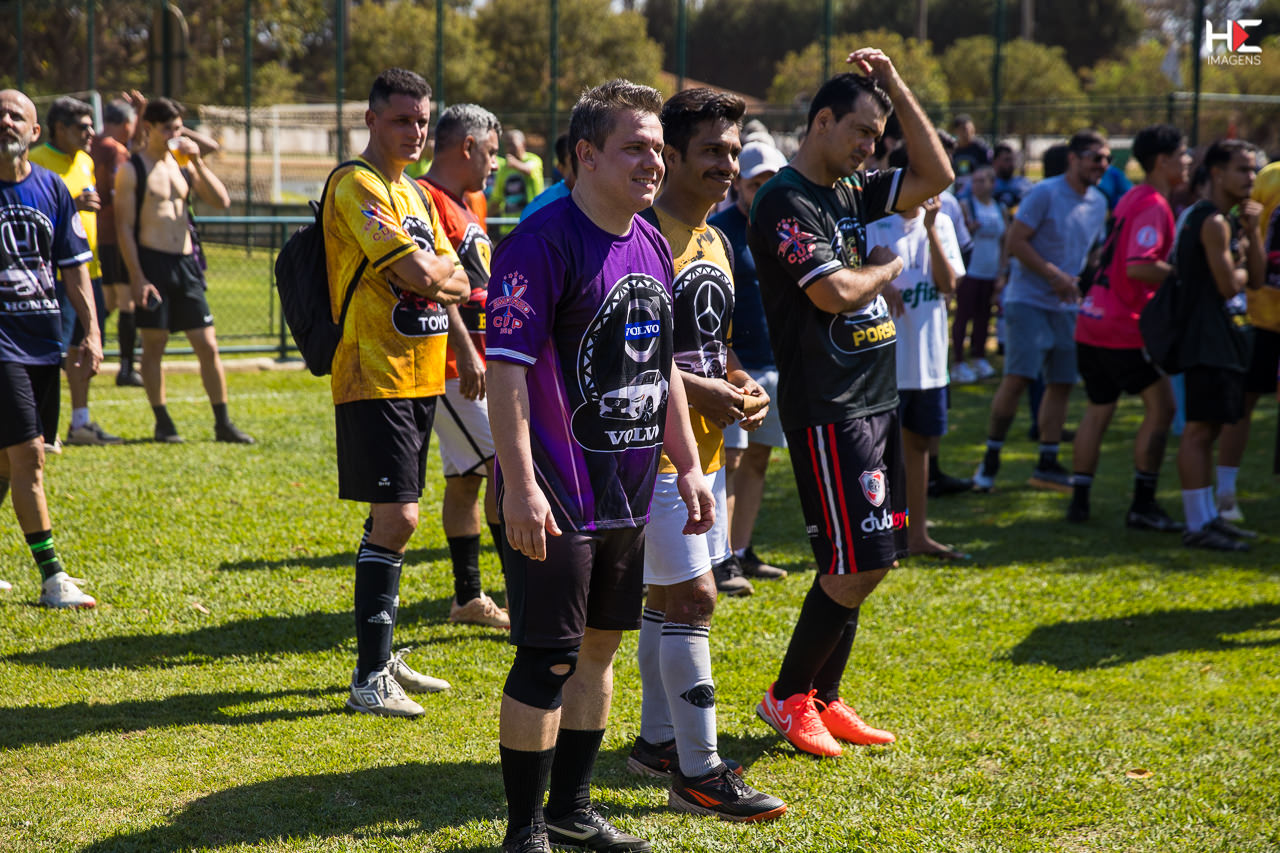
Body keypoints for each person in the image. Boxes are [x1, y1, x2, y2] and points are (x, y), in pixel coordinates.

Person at [486, 79, 714, 853]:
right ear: (586, 154)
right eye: (634, 147)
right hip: (554, 493)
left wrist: (688, 465)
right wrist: (520, 487)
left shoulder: (650, 240)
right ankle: (524, 830)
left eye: (658, 148)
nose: (654, 162)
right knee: (549, 657)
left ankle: (571, 810)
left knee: (601, 647)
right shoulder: (539, 243)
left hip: (628, 492)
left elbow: (665, 366)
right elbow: (507, 374)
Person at [747, 51, 953, 757]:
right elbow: (831, 292)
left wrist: (893, 85)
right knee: (855, 562)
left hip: (875, 397)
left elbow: (936, 175)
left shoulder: (851, 189)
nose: (871, 147)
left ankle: (825, 697)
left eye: (878, 136)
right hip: (830, 404)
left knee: (873, 556)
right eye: (861, 131)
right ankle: (787, 696)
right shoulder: (786, 199)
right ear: (822, 122)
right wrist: (887, 266)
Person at [628, 87, 785, 822]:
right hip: (656, 451)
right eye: (713, 151)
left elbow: (710, 344)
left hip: (708, 449)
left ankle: (657, 741)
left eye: (733, 151)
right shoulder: (639, 236)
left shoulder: (717, 238)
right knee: (696, 596)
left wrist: (738, 382)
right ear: (673, 153)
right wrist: (702, 390)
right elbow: (633, 354)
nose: (728, 164)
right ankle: (700, 772)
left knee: (668, 596)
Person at [322, 69, 471, 716]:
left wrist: (435, 274)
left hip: (421, 372)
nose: (414, 131)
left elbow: (459, 277)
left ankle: (381, 656)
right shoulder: (356, 185)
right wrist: (434, 273)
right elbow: (419, 270)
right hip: (373, 370)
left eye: (422, 121)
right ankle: (368, 678)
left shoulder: (414, 192)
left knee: (392, 519)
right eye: (401, 119)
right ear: (371, 120)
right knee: (400, 518)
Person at [0, 88, 100, 608]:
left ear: (34, 132)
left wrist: (91, 332)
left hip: (43, 342)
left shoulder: (52, 187)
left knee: (6, 462)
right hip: (2, 348)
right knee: (30, 456)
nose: (6, 121)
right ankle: (53, 578)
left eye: (16, 115)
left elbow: (74, 267)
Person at [1067, 125, 1189, 531]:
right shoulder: (1153, 203)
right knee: (1164, 408)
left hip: (1091, 318)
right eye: (1183, 154)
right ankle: (1143, 504)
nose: (1188, 161)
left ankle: (1079, 502)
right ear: (1162, 161)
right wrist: (1184, 275)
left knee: (1098, 407)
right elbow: (1139, 265)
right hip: (1123, 326)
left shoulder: (1131, 196)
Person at [973, 130, 1109, 493]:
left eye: (1107, 159)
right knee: (1018, 377)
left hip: (1067, 305)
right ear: (1073, 159)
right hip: (1028, 300)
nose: (1103, 165)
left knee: (1062, 382)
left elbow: (1090, 253)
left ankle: (1047, 463)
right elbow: (1015, 242)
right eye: (1096, 158)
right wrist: (1053, 275)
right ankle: (991, 458)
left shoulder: (1099, 202)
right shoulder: (1044, 192)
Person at [115, 97, 254, 444]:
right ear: (149, 128)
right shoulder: (133, 169)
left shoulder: (182, 165)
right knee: (154, 346)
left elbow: (221, 201)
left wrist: (197, 163)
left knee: (207, 345)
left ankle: (223, 422)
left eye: (179, 128)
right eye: (168, 129)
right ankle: (163, 421)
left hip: (186, 263)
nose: (175, 135)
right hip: (153, 263)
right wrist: (138, 277)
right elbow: (124, 228)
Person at [419, 103, 510, 630]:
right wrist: (467, 349)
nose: (495, 163)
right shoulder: (425, 197)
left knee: (466, 480)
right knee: (505, 467)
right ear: (467, 146)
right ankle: (525, 593)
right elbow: (434, 282)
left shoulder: (469, 201)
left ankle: (467, 597)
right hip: (453, 365)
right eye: (491, 152)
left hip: (478, 358)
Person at [1171, 140, 1265, 551]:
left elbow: (1257, 279)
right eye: (1242, 169)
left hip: (1222, 337)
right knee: (1198, 431)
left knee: (1209, 429)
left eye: (1253, 169)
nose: (1251, 178)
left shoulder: (1228, 220)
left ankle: (1209, 517)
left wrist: (1254, 233)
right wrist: (1239, 265)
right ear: (1216, 173)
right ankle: (1197, 524)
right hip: (1204, 338)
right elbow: (1230, 286)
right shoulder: (1210, 221)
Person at [868, 188, 966, 559]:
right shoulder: (874, 224)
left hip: (927, 363)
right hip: (885, 363)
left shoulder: (941, 223)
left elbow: (949, 284)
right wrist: (882, 281)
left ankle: (916, 535)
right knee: (879, 456)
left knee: (920, 447)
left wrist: (930, 228)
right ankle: (884, 539)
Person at [710, 141, 790, 583]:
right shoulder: (719, 231)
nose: (765, 191)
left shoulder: (788, 227)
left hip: (776, 362)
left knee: (758, 460)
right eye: (757, 183)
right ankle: (719, 559)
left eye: (772, 183)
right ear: (738, 183)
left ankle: (741, 550)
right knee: (731, 461)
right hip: (736, 363)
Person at [28, 96, 121, 446]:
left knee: (85, 348)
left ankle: (80, 423)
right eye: (83, 127)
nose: (91, 133)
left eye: (91, 126)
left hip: (87, 270)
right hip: (52, 277)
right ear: (59, 128)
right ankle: (36, 425)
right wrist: (71, 205)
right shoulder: (35, 161)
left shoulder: (85, 160)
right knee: (52, 352)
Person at [1213, 157, 1280, 522]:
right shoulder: (1270, 178)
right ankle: (1225, 494)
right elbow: (1243, 229)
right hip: (1262, 314)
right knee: (1241, 406)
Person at [91, 97, 144, 387]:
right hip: (116, 233)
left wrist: (141, 111)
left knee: (109, 299)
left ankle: (76, 341)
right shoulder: (115, 150)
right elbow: (119, 189)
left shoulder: (91, 143)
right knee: (126, 301)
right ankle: (126, 368)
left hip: (96, 233)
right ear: (126, 124)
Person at [952, 164, 1007, 384]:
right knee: (963, 315)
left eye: (982, 180)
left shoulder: (1000, 208)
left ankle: (979, 357)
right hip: (970, 271)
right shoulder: (966, 206)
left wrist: (1002, 272)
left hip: (990, 271)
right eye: (974, 181)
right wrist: (969, 229)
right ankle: (958, 362)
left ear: (992, 183)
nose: (977, 185)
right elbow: (958, 237)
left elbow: (1005, 241)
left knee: (984, 316)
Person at [491, 129, 544, 237]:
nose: (509, 149)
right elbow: (496, 199)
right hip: (508, 230)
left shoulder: (534, 160)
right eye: (507, 145)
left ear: (523, 144)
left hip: (531, 226)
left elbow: (529, 170)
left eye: (512, 144)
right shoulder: (503, 169)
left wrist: (514, 163)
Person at [521, 133, 575, 222]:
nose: (585, 166)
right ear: (560, 168)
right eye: (574, 160)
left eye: (589, 156)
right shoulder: (538, 209)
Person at [950, 113, 990, 196]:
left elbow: (987, 171)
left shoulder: (981, 148)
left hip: (976, 191)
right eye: (964, 129)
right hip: (955, 189)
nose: (968, 132)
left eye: (970, 129)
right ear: (956, 131)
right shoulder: (952, 149)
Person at [991, 143, 1032, 210]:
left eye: (1013, 160)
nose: (1011, 164)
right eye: (1007, 160)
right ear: (995, 162)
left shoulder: (1024, 183)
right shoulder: (985, 183)